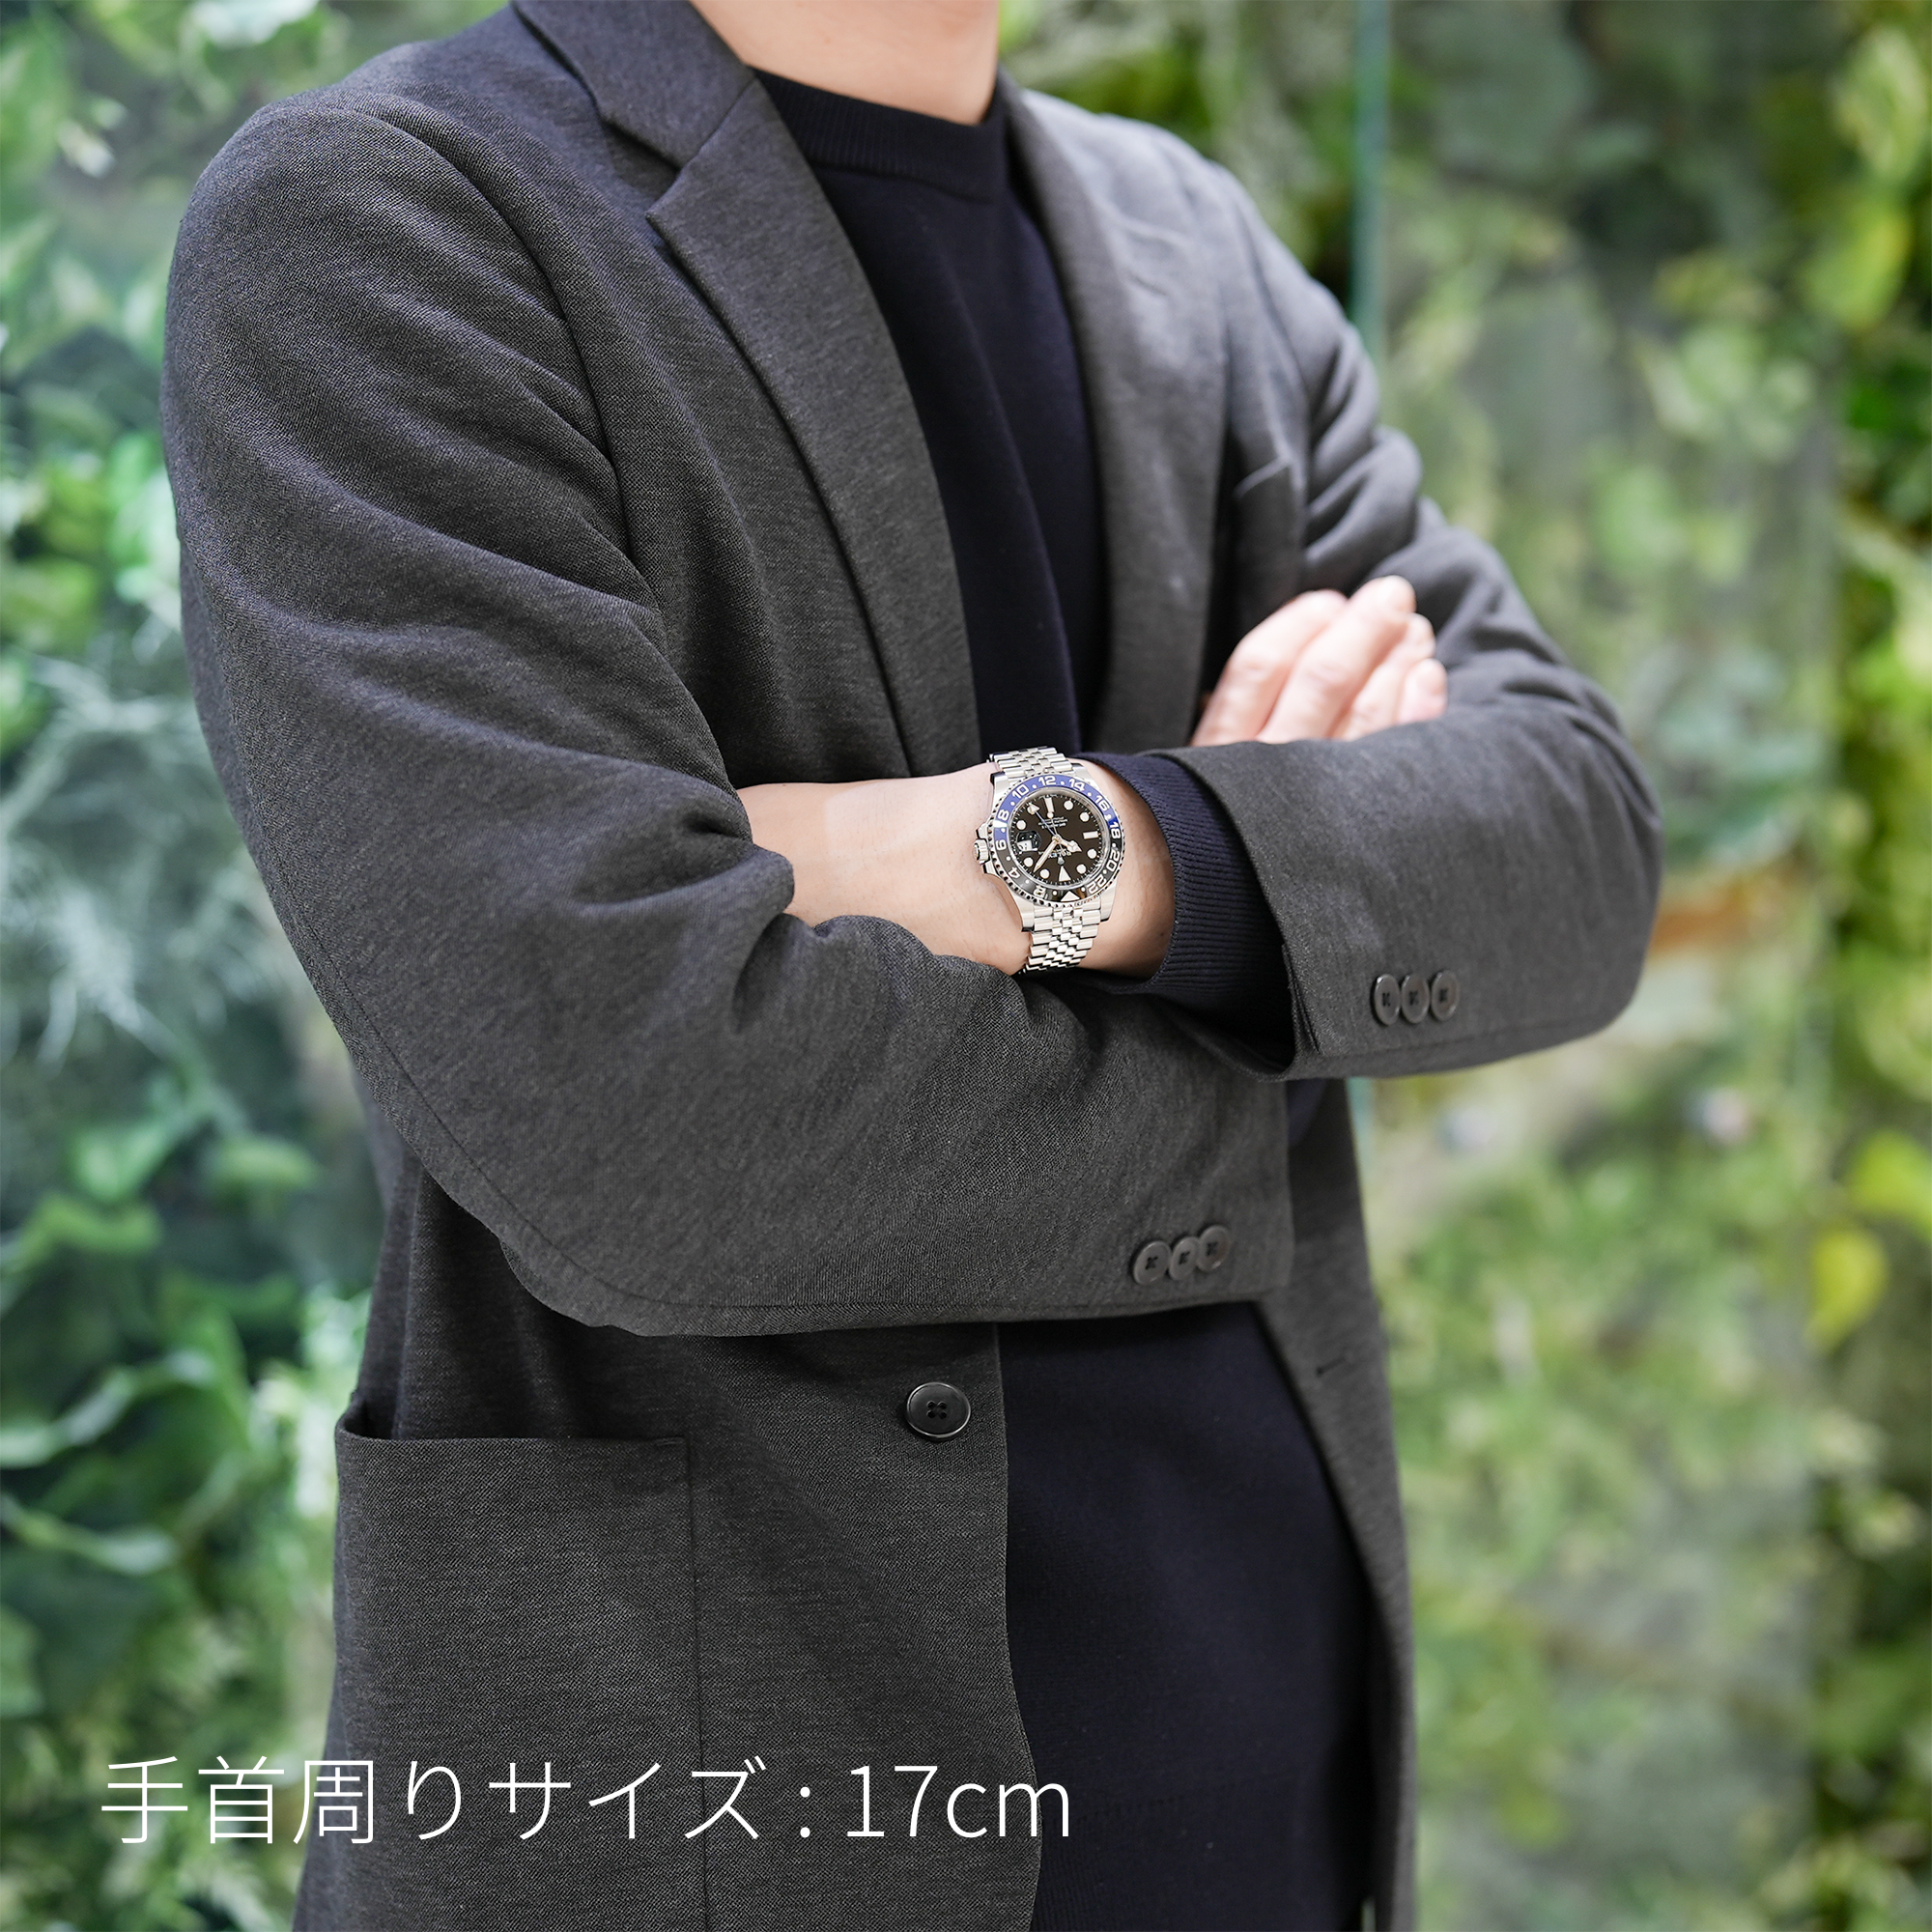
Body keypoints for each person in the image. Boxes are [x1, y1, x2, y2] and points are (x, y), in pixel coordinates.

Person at [159, 2, 1662, 1927]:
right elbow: (642, 1119)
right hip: (725, 1830)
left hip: (1271, 1777)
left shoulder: (1184, 246)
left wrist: (1068, 847)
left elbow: (1574, 843)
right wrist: (1277, 963)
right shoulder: (390, 219)